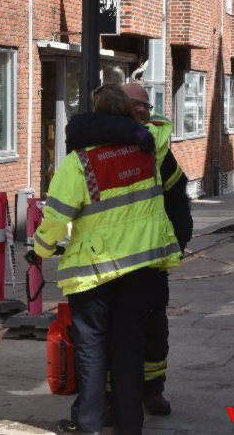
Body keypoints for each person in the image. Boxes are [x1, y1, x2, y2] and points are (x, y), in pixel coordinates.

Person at [32, 85, 182, 435]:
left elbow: (56, 218)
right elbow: (160, 122)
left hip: (95, 275)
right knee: (130, 350)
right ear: (132, 114)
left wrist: (40, 249)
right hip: (142, 272)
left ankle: (89, 425)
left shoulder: (80, 162)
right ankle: (131, 426)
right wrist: (133, 126)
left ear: (94, 116)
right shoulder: (151, 150)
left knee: (92, 351)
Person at [65, 82, 193, 419]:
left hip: (150, 255)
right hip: (104, 259)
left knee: (151, 329)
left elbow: (177, 197)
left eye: (147, 106)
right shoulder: (93, 140)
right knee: (114, 334)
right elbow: (80, 126)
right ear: (120, 106)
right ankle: (112, 397)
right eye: (136, 104)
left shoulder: (153, 145)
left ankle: (152, 389)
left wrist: (177, 243)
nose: (144, 111)